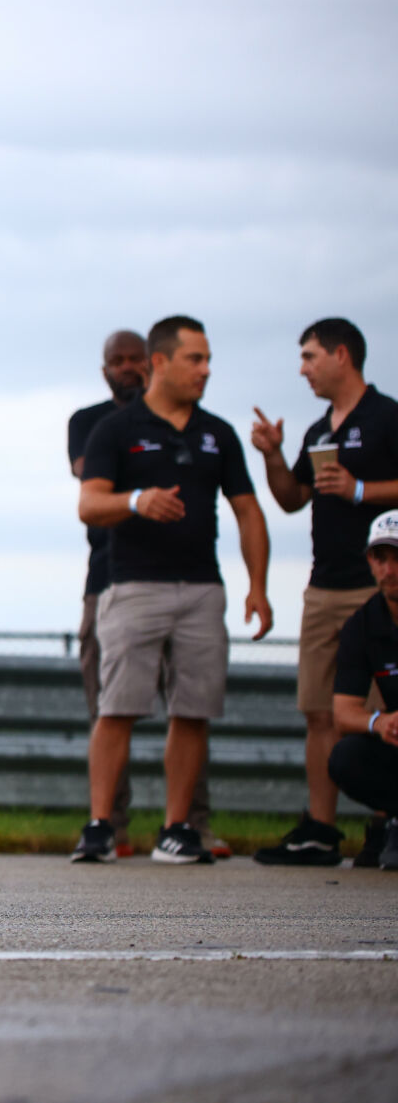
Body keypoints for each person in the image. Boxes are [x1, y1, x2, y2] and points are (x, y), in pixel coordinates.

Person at [74, 316, 271, 866]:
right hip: (133, 587)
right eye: (195, 359)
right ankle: (99, 826)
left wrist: (257, 586)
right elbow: (89, 505)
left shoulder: (219, 433)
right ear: (160, 362)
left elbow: (248, 512)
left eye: (208, 360)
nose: (206, 370)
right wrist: (137, 500)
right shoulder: (114, 429)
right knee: (118, 707)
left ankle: (177, 828)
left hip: (203, 590)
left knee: (192, 710)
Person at [249, 319, 398, 867]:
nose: (303, 369)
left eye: (310, 357)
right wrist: (271, 454)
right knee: (320, 711)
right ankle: (320, 828)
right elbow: (292, 499)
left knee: (383, 712)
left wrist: (362, 490)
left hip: (379, 588)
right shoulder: (318, 432)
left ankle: (385, 824)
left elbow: (364, 490)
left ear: (342, 355)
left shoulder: (386, 418)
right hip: (324, 584)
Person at [69, 331, 218, 856]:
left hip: (189, 579)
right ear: (104, 366)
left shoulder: (201, 429)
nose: (127, 368)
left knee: (191, 704)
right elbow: (91, 481)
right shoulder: (94, 424)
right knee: (111, 702)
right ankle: (111, 824)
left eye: (136, 360)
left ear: (150, 364)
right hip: (108, 579)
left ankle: (188, 825)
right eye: (118, 360)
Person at [325, 510, 398, 871]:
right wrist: (380, 723)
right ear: (370, 561)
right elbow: (343, 713)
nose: (390, 571)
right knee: (346, 756)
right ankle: (393, 822)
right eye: (381, 559)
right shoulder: (363, 624)